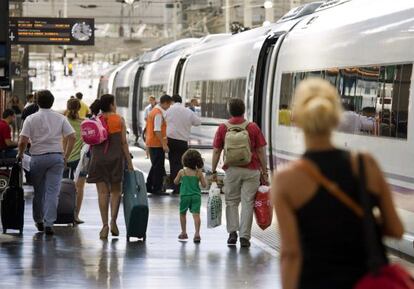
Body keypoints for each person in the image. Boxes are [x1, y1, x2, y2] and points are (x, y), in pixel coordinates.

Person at [273, 78, 404, 289]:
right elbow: (396, 229)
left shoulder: (286, 180)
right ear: (336, 118)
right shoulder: (365, 164)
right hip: (365, 281)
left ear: (296, 119)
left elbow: (291, 254)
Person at [17, 90, 76, 235]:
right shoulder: (60, 118)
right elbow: (72, 136)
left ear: (37, 102)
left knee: (39, 192)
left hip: (37, 158)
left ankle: (39, 220)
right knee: (52, 192)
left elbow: (23, 141)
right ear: (52, 102)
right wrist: (66, 155)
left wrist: (20, 154)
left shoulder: (31, 119)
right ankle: (49, 223)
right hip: (56, 157)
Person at [211, 98, 268, 248]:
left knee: (231, 202)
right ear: (244, 110)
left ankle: (232, 233)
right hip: (252, 170)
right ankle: (244, 237)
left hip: (232, 170)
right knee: (248, 202)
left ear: (230, 111)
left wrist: (213, 171)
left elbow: (217, 150)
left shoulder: (223, 128)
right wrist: (265, 171)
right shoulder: (253, 127)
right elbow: (261, 151)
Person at [87, 94, 134, 239]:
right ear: (112, 105)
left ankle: (104, 226)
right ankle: (113, 221)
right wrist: (130, 163)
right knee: (115, 192)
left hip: (98, 160)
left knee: (102, 193)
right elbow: (123, 143)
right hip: (115, 160)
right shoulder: (119, 119)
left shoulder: (95, 120)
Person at [165, 94, 201, 194]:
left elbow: (164, 121)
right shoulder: (187, 111)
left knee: (173, 163)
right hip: (182, 141)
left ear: (172, 101)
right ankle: (182, 186)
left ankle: (175, 187)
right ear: (181, 101)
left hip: (171, 140)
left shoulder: (168, 111)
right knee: (183, 164)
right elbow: (198, 122)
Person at [174, 149, 207, 243]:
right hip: (196, 197)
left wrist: (181, 180)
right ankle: (197, 234)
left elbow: (175, 182)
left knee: (182, 214)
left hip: (185, 196)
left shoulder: (182, 172)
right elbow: (204, 185)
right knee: (196, 215)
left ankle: (184, 232)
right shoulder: (198, 173)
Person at [63, 98, 85, 224]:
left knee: (62, 187)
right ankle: (75, 216)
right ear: (79, 108)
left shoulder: (63, 121)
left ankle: (62, 212)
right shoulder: (84, 123)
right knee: (79, 188)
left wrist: (64, 156)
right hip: (80, 160)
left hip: (64, 158)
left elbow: (63, 141)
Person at [145, 94, 172, 195]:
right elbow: (157, 130)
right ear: (165, 103)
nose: (169, 107)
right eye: (169, 105)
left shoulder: (154, 111)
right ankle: (156, 188)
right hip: (156, 144)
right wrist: (164, 144)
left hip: (153, 142)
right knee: (158, 167)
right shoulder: (158, 113)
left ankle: (149, 186)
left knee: (156, 166)